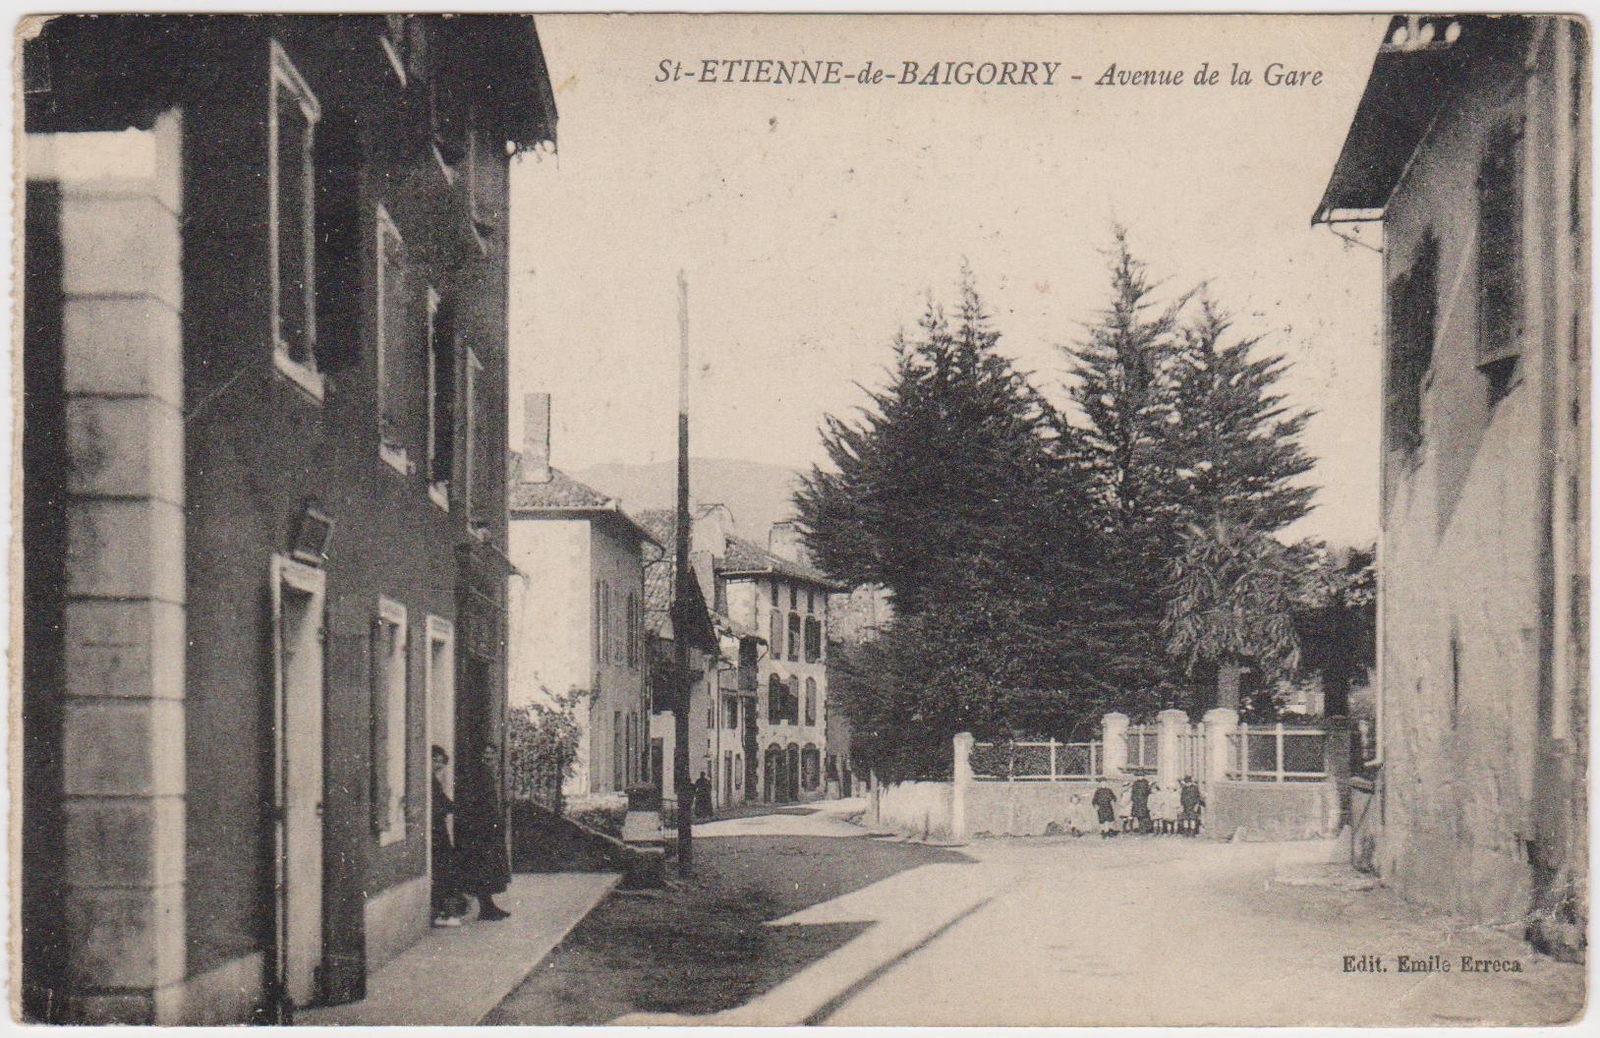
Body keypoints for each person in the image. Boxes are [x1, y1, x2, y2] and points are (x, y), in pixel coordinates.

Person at [457, 742, 512, 921]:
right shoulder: (479, 775)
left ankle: (488, 907)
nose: (489, 756)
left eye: (492, 754)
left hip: (489, 829)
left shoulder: (488, 774)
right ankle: (486, 908)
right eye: (486, 753)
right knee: (483, 869)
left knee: (487, 870)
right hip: (481, 830)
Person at [430, 746, 465, 927]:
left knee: (444, 868)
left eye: (440, 762)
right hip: (435, 830)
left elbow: (444, 801)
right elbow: (440, 803)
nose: (437, 764)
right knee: (443, 869)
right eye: (434, 760)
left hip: (439, 828)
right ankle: (442, 912)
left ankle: (443, 910)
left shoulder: (434, 781)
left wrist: (458, 808)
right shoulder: (431, 782)